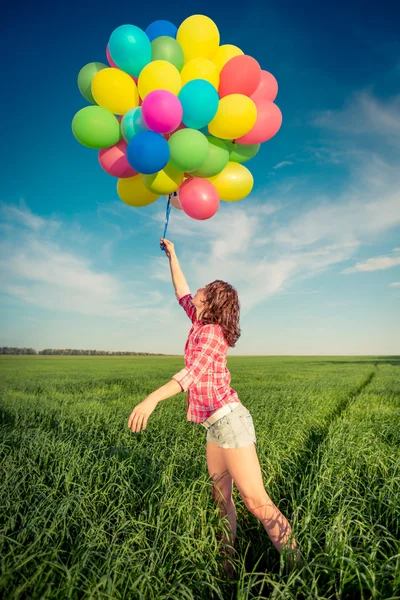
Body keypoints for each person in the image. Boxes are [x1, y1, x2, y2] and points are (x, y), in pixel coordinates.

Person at [128, 238, 301, 577]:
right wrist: (174, 254)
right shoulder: (199, 321)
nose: (198, 290)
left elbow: (189, 376)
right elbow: (181, 292)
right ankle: (227, 569)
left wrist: (151, 399)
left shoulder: (211, 334)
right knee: (221, 501)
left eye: (204, 289)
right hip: (214, 427)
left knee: (257, 502)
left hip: (230, 422)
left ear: (213, 302)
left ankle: (302, 569)